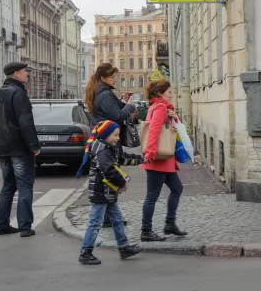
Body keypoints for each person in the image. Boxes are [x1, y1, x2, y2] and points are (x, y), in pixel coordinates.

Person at [79, 120, 144, 265]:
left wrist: (141, 159)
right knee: (95, 223)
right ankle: (85, 252)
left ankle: (124, 247)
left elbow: (122, 159)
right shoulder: (103, 150)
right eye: (115, 135)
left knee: (117, 220)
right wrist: (122, 182)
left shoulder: (108, 147)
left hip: (107, 192)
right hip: (100, 192)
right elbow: (109, 171)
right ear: (106, 135)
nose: (118, 138)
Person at [83, 63, 138, 228]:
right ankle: (106, 220)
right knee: (108, 177)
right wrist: (130, 105)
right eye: (112, 76)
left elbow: (112, 110)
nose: (115, 79)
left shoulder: (102, 92)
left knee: (106, 178)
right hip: (106, 140)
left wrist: (123, 102)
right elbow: (118, 116)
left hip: (103, 138)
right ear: (103, 78)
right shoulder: (105, 94)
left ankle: (111, 219)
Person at [0, 62, 41, 238]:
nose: (27, 74)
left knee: (8, 186)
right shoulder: (19, 93)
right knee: (25, 186)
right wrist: (34, 145)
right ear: (16, 73)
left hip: (3, 147)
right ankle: (25, 227)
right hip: (19, 147)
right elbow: (25, 121)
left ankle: (0, 225)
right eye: (24, 71)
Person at [140, 80, 188, 242]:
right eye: (168, 91)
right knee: (152, 196)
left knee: (177, 188)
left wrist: (175, 118)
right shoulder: (160, 107)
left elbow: (168, 129)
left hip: (164, 160)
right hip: (157, 159)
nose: (171, 94)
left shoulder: (157, 107)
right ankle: (146, 231)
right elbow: (154, 130)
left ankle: (170, 224)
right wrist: (151, 152)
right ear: (160, 93)